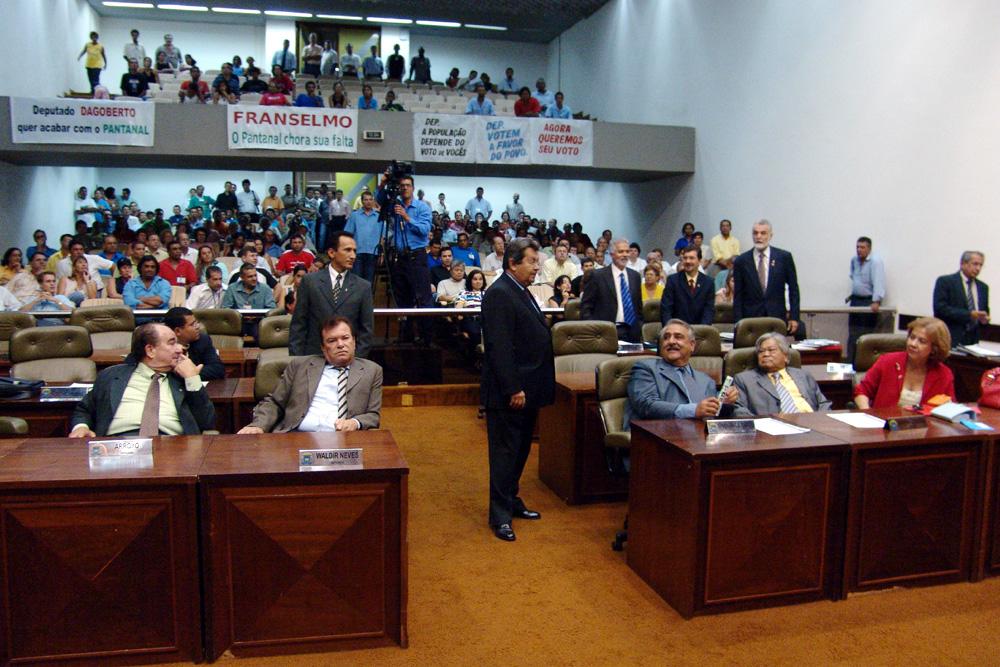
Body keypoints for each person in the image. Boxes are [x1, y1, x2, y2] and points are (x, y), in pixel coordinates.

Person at [481, 238, 554, 542]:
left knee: (520, 450)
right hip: (510, 393)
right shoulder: (499, 293)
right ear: (513, 263)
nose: (537, 268)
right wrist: (513, 388)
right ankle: (499, 515)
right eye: (532, 262)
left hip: (528, 390)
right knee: (504, 454)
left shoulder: (520, 290)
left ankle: (511, 499)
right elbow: (499, 347)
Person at [69, 323, 215, 438]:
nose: (179, 349)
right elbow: (84, 409)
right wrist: (81, 427)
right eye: (172, 343)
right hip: (118, 445)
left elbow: (207, 422)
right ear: (150, 350)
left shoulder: (182, 380)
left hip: (171, 446)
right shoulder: (111, 375)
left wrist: (192, 378)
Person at [239, 317, 382, 434]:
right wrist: (258, 425)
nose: (340, 344)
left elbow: (373, 415)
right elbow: (275, 402)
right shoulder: (300, 366)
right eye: (332, 341)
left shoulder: (372, 370)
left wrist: (355, 423)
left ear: (354, 341)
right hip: (296, 435)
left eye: (345, 338)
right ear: (323, 347)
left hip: (343, 439)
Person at [625, 320, 740, 427]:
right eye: (666, 337)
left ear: (692, 345)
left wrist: (724, 403)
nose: (671, 341)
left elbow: (711, 415)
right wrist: (694, 410)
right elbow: (646, 405)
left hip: (698, 437)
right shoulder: (646, 368)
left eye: (678, 337)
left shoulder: (706, 380)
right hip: (656, 435)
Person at [290, 231, 374, 358]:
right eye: (347, 250)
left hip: (349, 362)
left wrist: (355, 361)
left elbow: (366, 331)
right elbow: (298, 325)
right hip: (313, 359)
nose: (353, 256)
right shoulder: (310, 282)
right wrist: (297, 361)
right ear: (331, 253)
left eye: (354, 251)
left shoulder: (363, 287)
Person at [377, 170, 434, 344]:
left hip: (417, 257)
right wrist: (382, 183)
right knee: (403, 299)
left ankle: (426, 338)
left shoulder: (422, 207)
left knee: (422, 298)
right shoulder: (395, 205)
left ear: (413, 188)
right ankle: (405, 337)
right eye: (402, 186)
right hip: (399, 258)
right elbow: (380, 201)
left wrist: (406, 217)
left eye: (408, 185)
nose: (404, 188)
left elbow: (424, 230)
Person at [855, 316, 954, 410]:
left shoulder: (944, 374)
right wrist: (867, 413)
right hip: (883, 421)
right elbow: (861, 391)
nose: (913, 344)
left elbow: (950, 408)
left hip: (923, 422)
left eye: (922, 341)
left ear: (934, 349)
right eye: (912, 337)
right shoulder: (887, 361)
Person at [732, 332, 832, 415]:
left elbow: (823, 403)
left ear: (785, 356)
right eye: (761, 351)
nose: (765, 354)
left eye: (771, 350)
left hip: (811, 423)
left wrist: (821, 422)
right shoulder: (744, 379)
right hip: (772, 429)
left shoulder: (803, 375)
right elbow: (740, 411)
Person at [732, 219, 801, 335]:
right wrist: (738, 322)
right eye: (755, 233)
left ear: (770, 235)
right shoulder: (741, 261)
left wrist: (794, 317)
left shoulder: (784, 257)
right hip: (751, 320)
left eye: (763, 233)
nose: (758, 236)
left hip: (776, 318)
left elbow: (793, 289)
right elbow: (738, 295)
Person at [581, 238, 643, 343]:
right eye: (621, 252)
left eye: (627, 251)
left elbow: (638, 306)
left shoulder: (635, 276)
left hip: (632, 332)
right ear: (612, 254)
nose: (625, 255)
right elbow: (586, 307)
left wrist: (639, 325)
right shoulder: (597, 276)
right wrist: (594, 330)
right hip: (605, 332)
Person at [933, 251, 990, 347]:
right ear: (963, 264)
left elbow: (984, 313)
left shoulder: (983, 287)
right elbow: (940, 309)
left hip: (972, 342)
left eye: (981, 265)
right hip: (949, 338)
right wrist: (969, 314)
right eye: (975, 264)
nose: (978, 268)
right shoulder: (946, 282)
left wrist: (985, 320)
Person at [847, 236, 887, 364]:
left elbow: (879, 281)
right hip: (855, 301)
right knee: (853, 333)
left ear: (869, 248)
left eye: (862, 247)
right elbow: (853, 277)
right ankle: (850, 362)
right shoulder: (854, 260)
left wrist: (876, 301)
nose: (859, 250)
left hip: (868, 302)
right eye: (857, 247)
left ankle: (862, 364)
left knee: (864, 334)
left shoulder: (876, 262)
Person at [160, 307, 224, 381]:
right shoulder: (162, 346)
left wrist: (190, 372)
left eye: (196, 323)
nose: (197, 327)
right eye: (192, 324)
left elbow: (218, 370)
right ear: (178, 331)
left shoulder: (203, 340)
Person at [661, 246, 714, 325]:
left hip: (700, 329)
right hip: (677, 328)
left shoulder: (708, 282)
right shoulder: (673, 280)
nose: (688, 261)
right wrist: (670, 328)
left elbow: (708, 310)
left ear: (699, 261)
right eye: (685, 258)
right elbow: (666, 309)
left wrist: (702, 329)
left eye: (691, 258)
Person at [344, 192, 383, 284]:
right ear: (362, 201)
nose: (368, 202)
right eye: (366, 200)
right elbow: (348, 234)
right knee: (356, 280)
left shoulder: (379, 217)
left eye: (370, 199)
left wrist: (382, 254)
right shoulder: (354, 215)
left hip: (373, 253)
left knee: (369, 282)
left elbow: (382, 237)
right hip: (357, 253)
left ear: (373, 201)